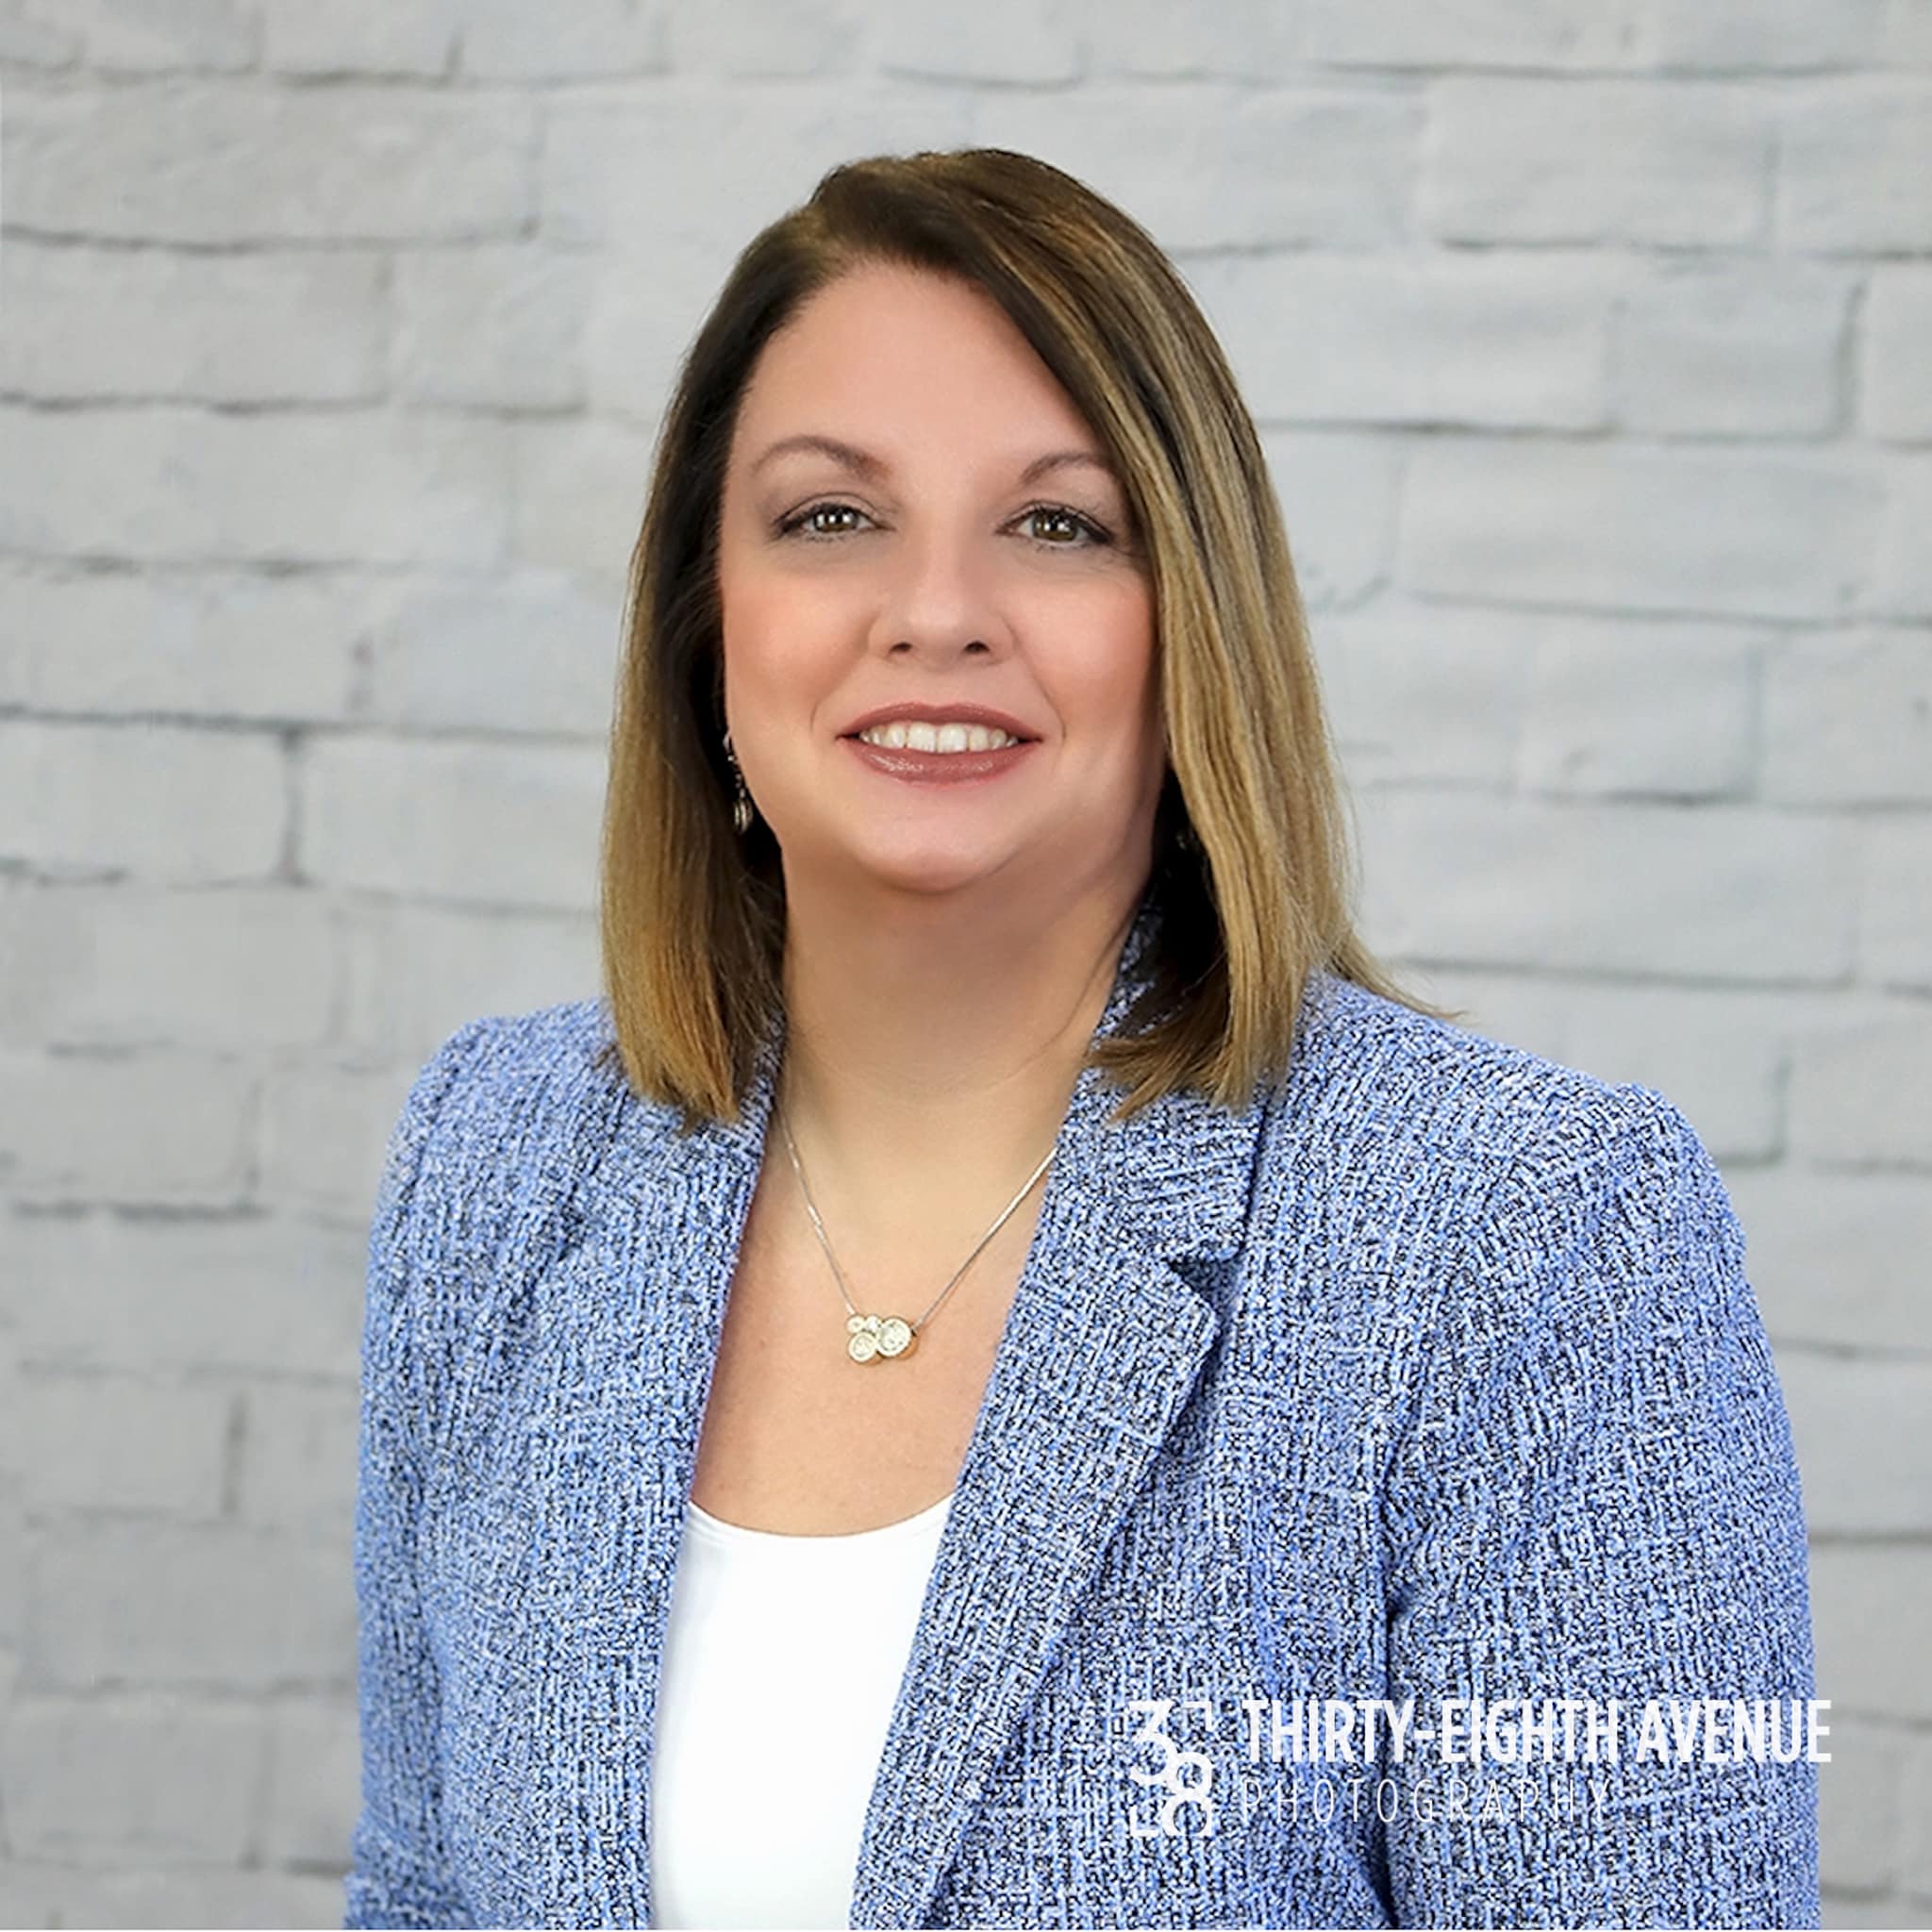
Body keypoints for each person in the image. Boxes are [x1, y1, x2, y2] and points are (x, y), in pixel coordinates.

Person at [344, 148, 1820, 1931]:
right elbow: (424, 1892)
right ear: (701, 624)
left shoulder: (1529, 1237)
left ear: (1189, 622)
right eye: (831, 517)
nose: (940, 609)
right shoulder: (499, 1156)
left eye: (1059, 523)